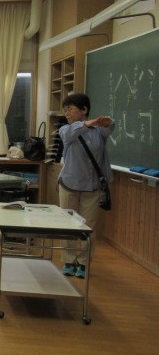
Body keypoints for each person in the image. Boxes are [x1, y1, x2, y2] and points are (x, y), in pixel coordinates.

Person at [58, 93, 115, 279]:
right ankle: (68, 260)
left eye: (70, 109)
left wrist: (107, 121)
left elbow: (111, 126)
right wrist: (87, 123)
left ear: (84, 110)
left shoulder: (99, 132)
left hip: (92, 186)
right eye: (65, 110)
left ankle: (83, 263)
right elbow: (70, 133)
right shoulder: (66, 130)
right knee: (67, 225)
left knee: (88, 226)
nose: (66, 113)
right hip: (69, 184)